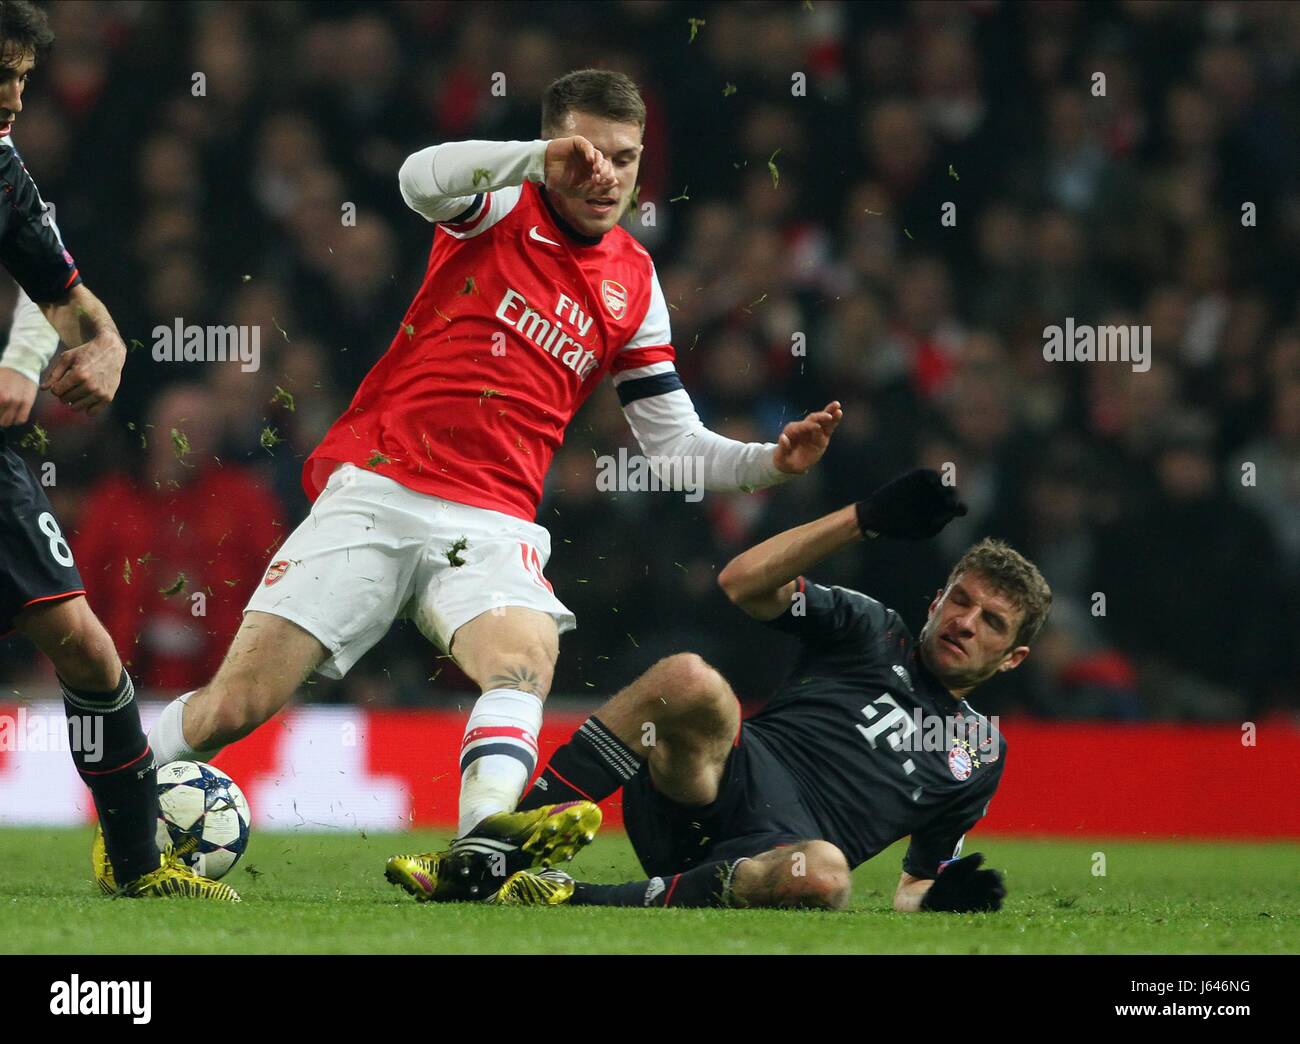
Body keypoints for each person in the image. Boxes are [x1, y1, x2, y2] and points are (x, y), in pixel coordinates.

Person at [135, 68, 840, 899]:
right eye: (586, 154)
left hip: (494, 521)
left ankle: (480, 855)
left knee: (522, 664)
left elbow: (672, 443)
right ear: (552, 148)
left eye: (624, 157)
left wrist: (768, 463)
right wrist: (537, 159)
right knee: (235, 707)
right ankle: (117, 804)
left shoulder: (636, 282)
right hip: (379, 488)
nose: (605, 174)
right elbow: (414, 178)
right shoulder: (501, 204)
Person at [492, 470, 1049, 912]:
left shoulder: (977, 752)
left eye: (992, 622)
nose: (967, 622)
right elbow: (741, 582)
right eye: (960, 601)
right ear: (936, 602)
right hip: (707, 785)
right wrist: (862, 519)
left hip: (783, 857)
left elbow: (912, 889)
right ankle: (499, 853)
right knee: (688, 675)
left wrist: (943, 900)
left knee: (827, 875)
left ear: (1013, 658)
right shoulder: (872, 628)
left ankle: (571, 895)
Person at [0, 0, 235, 900]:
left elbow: (73, 303)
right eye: (1, 74)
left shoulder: (7, 173)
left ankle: (141, 872)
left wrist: (106, 346)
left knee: (88, 650)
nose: (16, 96)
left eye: (24, 75)